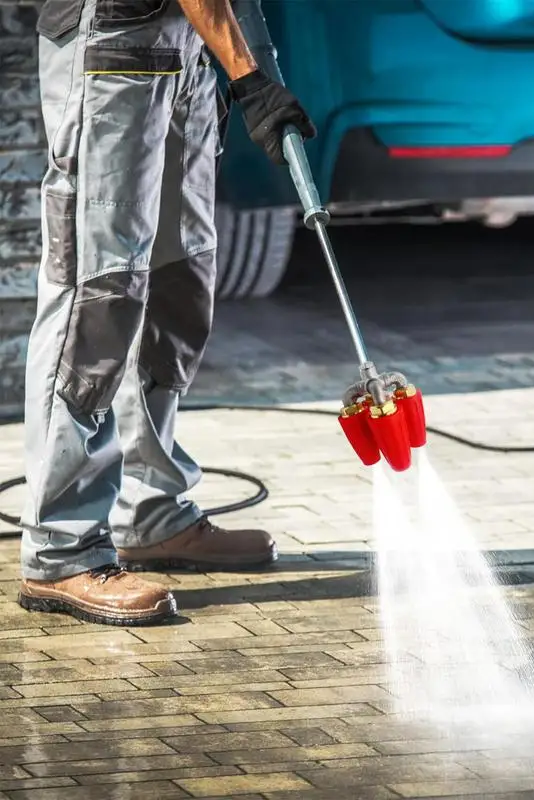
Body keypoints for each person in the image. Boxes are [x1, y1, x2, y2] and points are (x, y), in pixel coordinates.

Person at [18, 0, 315, 626]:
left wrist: (252, 63)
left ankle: (151, 510)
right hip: (111, 45)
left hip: (185, 52)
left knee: (177, 285)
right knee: (97, 295)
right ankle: (62, 548)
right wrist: (248, 75)